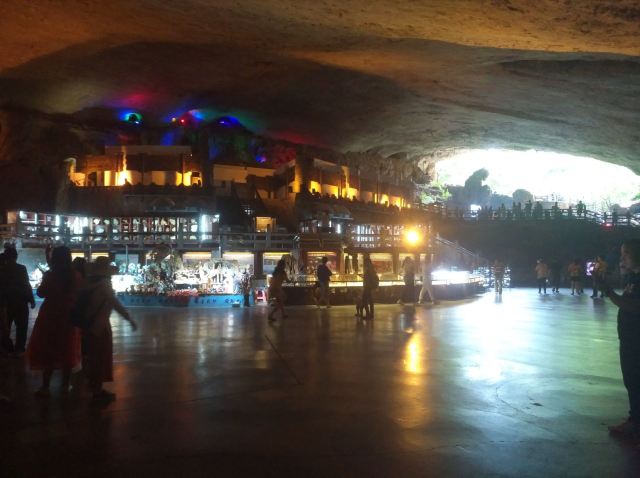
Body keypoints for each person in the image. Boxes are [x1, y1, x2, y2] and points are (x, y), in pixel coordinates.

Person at [27, 246, 81, 396]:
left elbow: (40, 293)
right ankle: (65, 385)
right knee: (67, 348)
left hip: (50, 315)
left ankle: (45, 386)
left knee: (48, 348)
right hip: (69, 316)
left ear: (55, 259)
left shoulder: (51, 275)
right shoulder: (75, 276)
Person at [81, 256, 137, 401]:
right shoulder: (104, 284)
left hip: (87, 324)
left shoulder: (87, 282)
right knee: (101, 357)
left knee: (92, 357)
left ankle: (92, 386)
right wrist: (129, 319)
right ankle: (97, 390)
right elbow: (115, 303)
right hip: (100, 325)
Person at [602, 239, 640, 440]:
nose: (622, 258)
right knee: (631, 381)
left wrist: (609, 292)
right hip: (628, 337)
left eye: (626, 253)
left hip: (636, 338)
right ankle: (635, 421)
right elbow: (626, 301)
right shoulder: (632, 277)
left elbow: (634, 306)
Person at [0, 247, 35, 355]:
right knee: (22, 327)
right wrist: (31, 299)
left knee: (5, 326)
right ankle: (19, 349)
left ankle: (5, 348)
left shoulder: (2, 269)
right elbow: (26, 285)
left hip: (6, 303)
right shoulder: (22, 268)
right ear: (16, 256)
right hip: (21, 302)